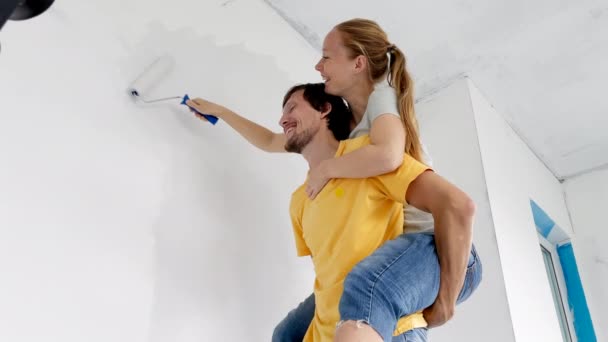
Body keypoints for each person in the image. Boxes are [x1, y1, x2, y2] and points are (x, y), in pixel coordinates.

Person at [186, 18, 482, 341]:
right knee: (287, 334)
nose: (318, 65)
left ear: (358, 64)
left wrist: (325, 170)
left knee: (364, 285)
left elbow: (389, 155)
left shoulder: (380, 105)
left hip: (437, 245)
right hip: (395, 250)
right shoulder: (350, 137)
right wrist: (219, 111)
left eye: (326, 56)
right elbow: (271, 140)